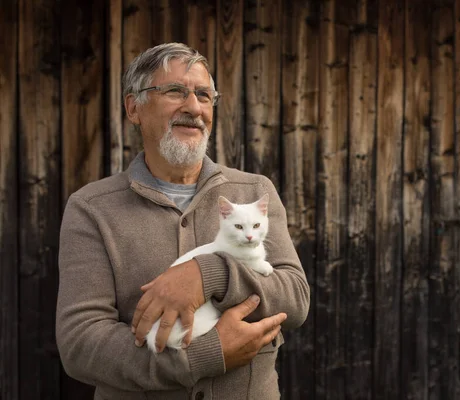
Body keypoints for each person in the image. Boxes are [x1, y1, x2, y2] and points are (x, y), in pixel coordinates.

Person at [56, 42, 310, 400]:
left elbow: (296, 298)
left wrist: (209, 275)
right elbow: (81, 345)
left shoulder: (253, 190)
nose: (194, 107)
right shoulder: (92, 208)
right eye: (175, 91)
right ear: (134, 108)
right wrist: (201, 357)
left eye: (205, 96)